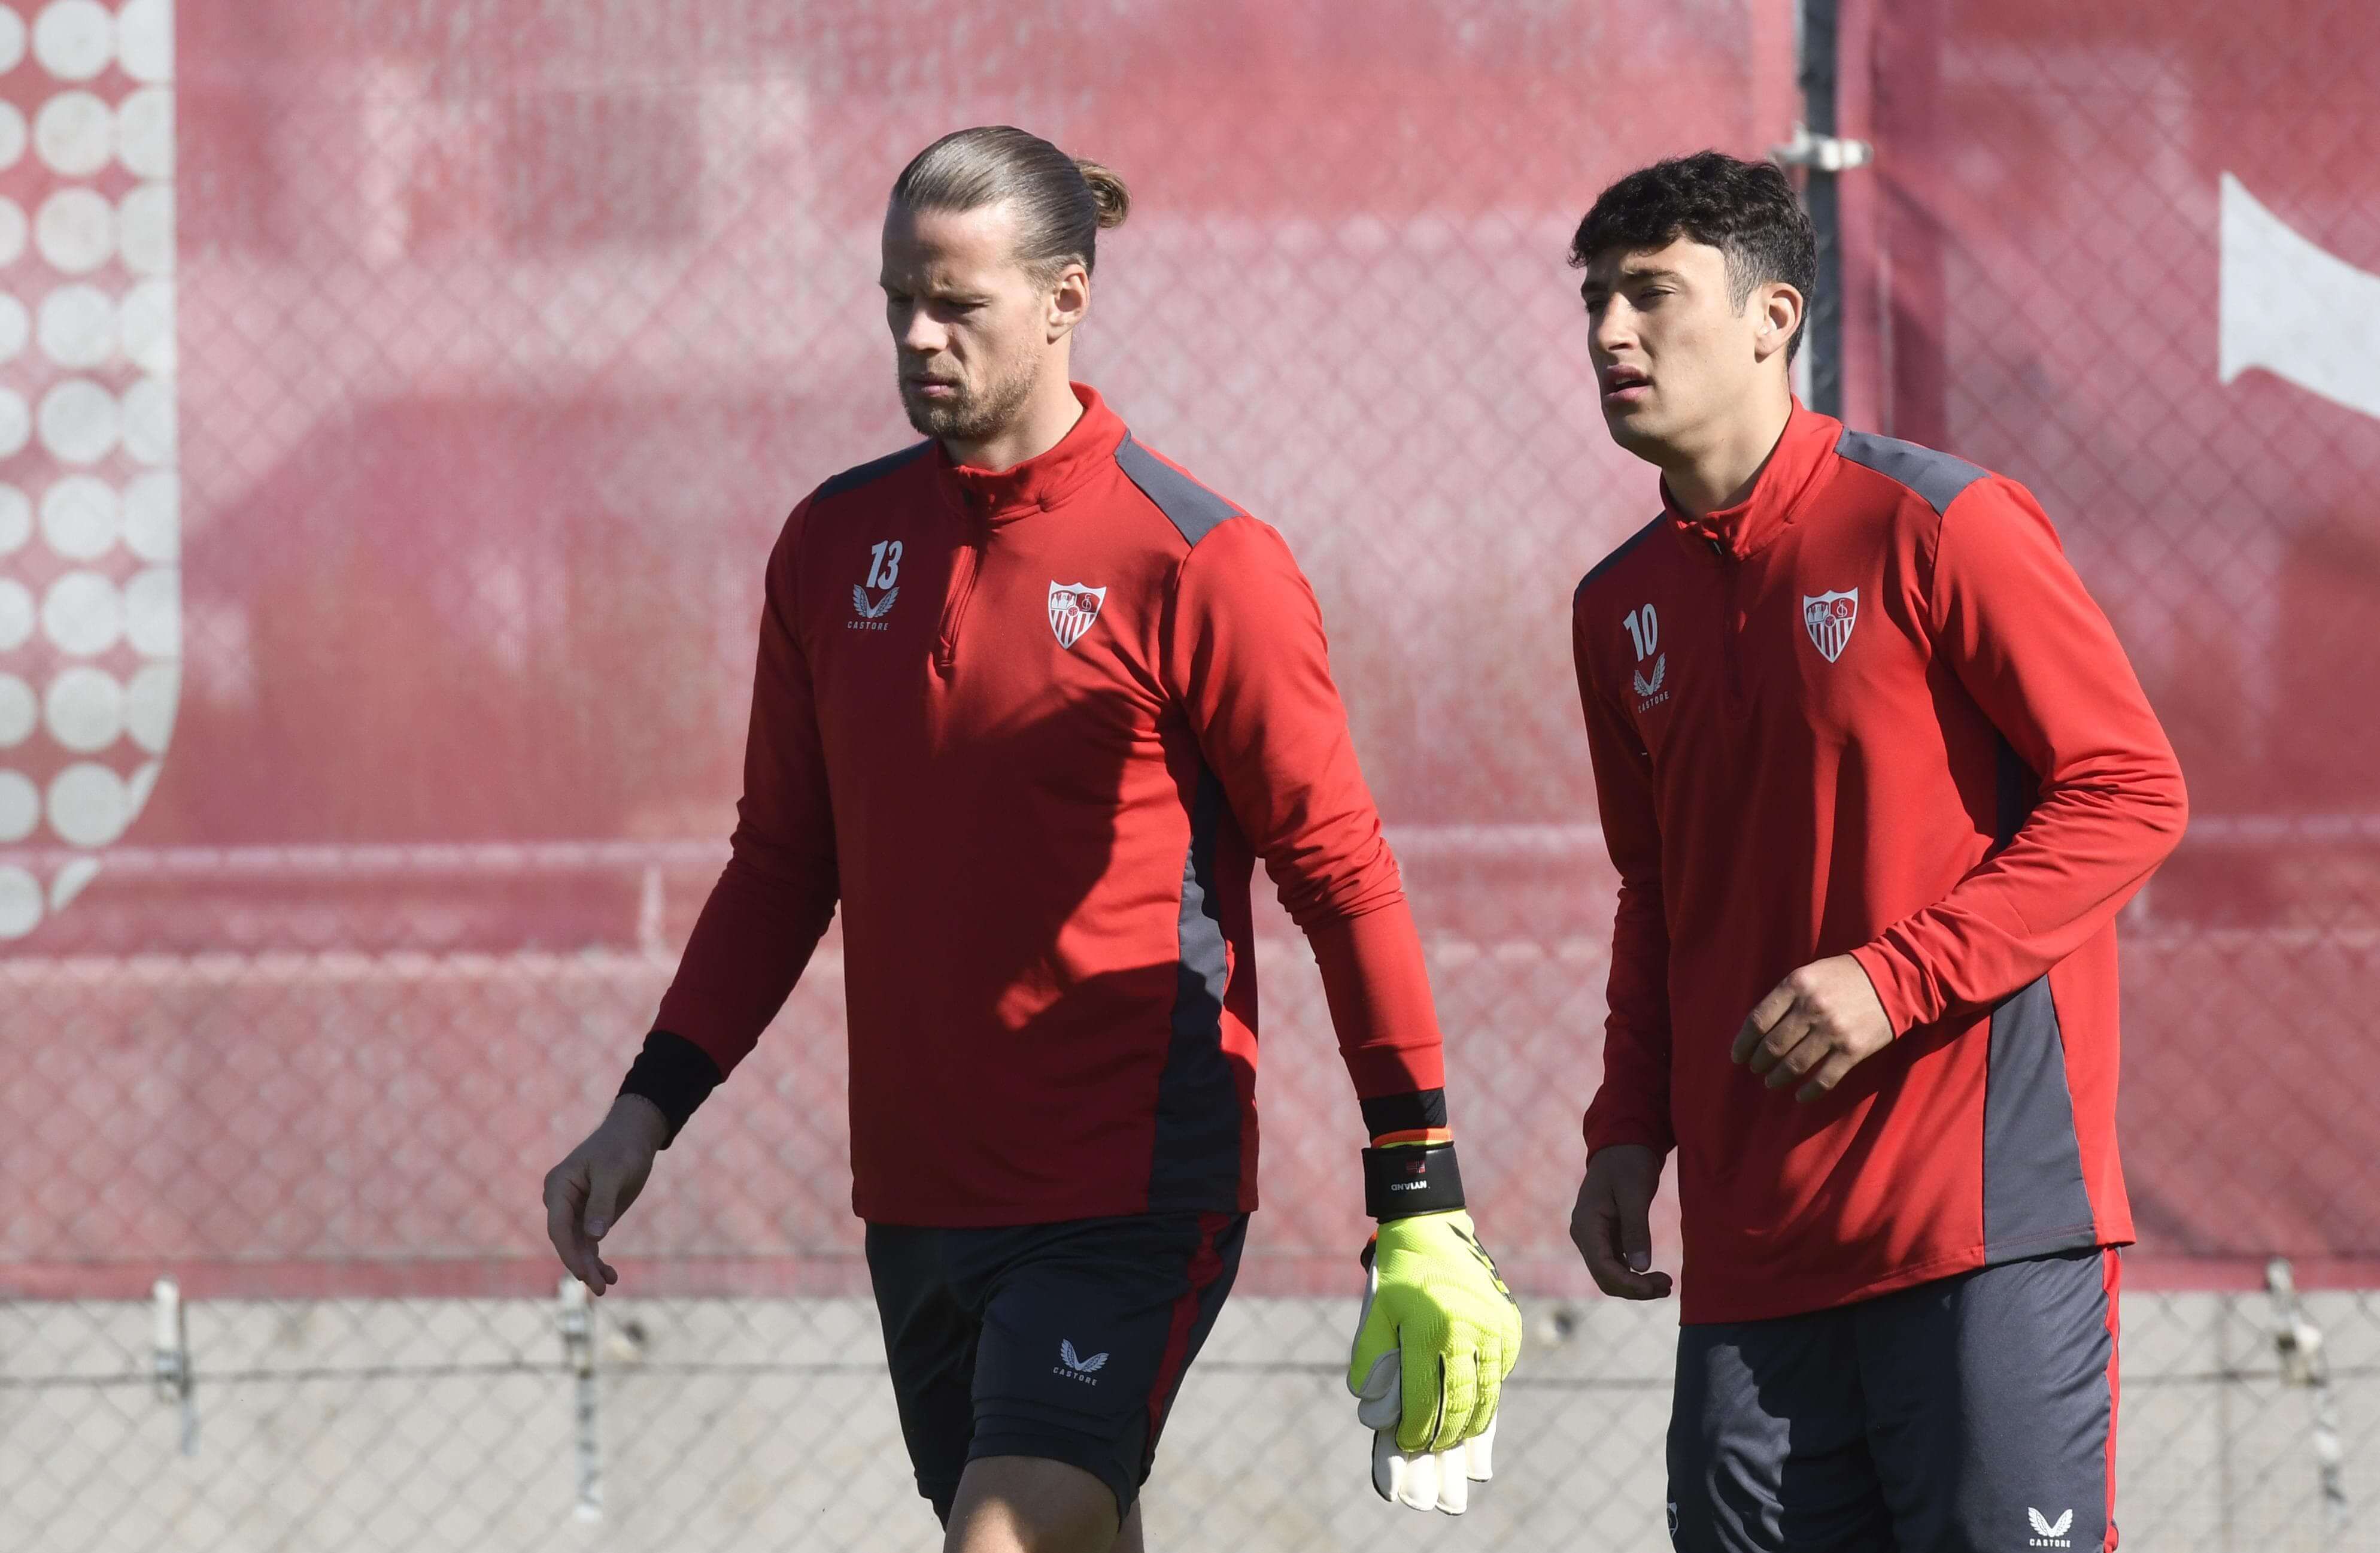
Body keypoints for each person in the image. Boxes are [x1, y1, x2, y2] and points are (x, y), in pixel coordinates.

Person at [540, 126, 1521, 1552]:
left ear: (1065, 297)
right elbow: (777, 867)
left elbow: (1341, 877)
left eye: (958, 303)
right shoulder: (831, 544)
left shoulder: (1197, 560)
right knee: (1059, 1530)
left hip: (1125, 1178)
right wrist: (644, 1110)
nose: (917, 336)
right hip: (922, 1194)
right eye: (896, 300)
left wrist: (1418, 1191)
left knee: (1002, 1533)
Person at [1563, 150, 2187, 1552]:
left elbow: (2128, 789)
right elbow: (1657, 893)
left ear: (1774, 316)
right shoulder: (1617, 608)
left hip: (1977, 1226)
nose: (1609, 332)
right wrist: (1626, 1127)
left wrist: (1892, 978)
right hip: (1751, 1250)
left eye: (1652, 296)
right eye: (1596, 300)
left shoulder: (1938, 521)